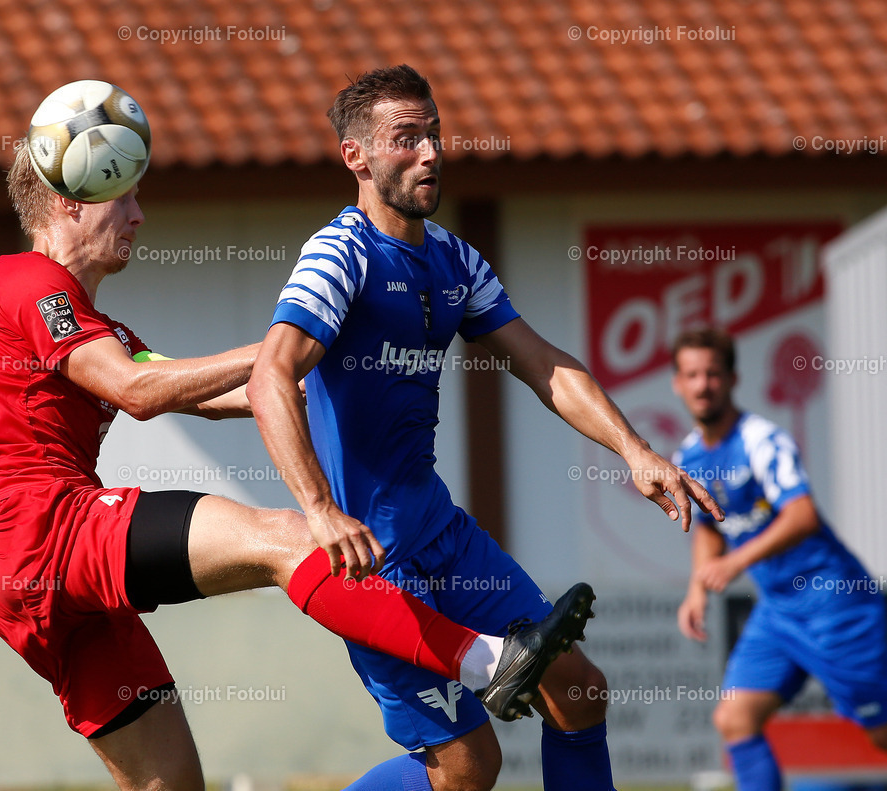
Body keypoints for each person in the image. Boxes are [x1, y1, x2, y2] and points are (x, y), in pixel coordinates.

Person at [0, 143, 589, 791]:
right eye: (126, 198)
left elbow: (202, 390)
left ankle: (490, 660)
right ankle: (487, 660)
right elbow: (136, 391)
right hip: (47, 530)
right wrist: (279, 350)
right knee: (286, 537)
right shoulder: (26, 279)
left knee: (169, 784)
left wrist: (334, 374)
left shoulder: (104, 330)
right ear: (69, 201)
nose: (140, 216)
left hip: (33, 583)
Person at [246, 64, 722, 791]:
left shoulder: (454, 261)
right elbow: (269, 375)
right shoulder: (339, 255)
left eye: (433, 133)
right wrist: (318, 511)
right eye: (406, 138)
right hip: (377, 566)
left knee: (579, 687)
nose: (431, 151)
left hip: (444, 535)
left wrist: (636, 449)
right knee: (470, 765)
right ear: (357, 156)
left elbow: (543, 365)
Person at [671, 327, 887, 791]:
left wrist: (735, 562)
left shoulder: (763, 440)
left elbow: (803, 515)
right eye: (692, 374)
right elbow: (709, 526)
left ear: (732, 379)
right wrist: (696, 588)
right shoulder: (688, 455)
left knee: (881, 733)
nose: (702, 384)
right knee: (734, 717)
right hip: (778, 612)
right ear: (677, 383)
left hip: (837, 606)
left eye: (712, 373)